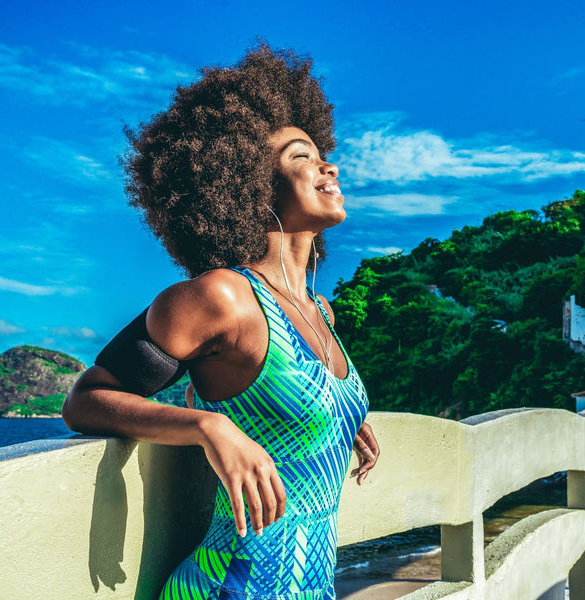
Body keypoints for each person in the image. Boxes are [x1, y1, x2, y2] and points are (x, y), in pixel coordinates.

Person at [62, 42, 379, 600]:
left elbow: (281, 411)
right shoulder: (222, 298)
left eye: (320, 153)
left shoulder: (319, 312)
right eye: (300, 157)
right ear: (250, 188)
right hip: (228, 586)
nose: (326, 164)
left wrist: (343, 417)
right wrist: (208, 427)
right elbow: (86, 399)